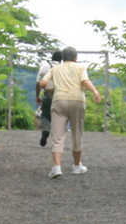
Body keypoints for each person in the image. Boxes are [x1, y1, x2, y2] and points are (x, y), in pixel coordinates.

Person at [39, 46, 102, 178]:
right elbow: (85, 81)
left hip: (59, 101)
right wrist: (95, 91)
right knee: (77, 133)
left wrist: (51, 88)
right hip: (77, 101)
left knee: (57, 135)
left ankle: (56, 167)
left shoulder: (55, 69)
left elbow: (42, 83)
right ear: (75, 58)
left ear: (62, 58)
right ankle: (77, 166)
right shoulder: (80, 68)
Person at [35, 48, 62, 146]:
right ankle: (57, 138)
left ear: (52, 58)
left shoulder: (45, 66)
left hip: (47, 95)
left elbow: (38, 83)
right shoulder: (63, 67)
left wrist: (37, 96)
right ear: (61, 59)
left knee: (45, 115)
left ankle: (46, 130)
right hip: (60, 96)